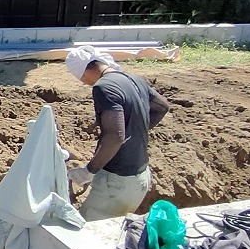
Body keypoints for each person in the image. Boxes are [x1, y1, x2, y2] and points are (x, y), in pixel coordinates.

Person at [63, 45, 171, 220]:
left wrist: (89, 171)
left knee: (85, 235)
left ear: (85, 71)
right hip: (140, 178)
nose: (84, 82)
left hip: (117, 184)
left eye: (81, 77)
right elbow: (162, 107)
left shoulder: (103, 87)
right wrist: (136, 129)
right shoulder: (135, 79)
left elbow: (115, 136)